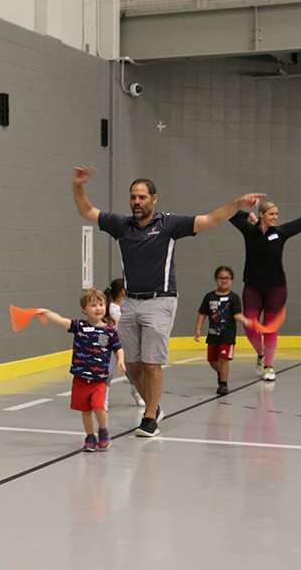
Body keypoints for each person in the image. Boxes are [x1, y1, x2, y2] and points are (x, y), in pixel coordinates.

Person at [72, 166, 265, 437]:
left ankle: (150, 417)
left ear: (153, 199)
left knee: (152, 363)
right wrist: (78, 185)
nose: (136, 202)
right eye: (133, 197)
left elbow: (209, 220)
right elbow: (87, 211)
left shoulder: (169, 224)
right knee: (134, 366)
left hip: (160, 301)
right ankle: (155, 406)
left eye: (141, 197)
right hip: (130, 303)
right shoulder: (120, 225)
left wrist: (237, 204)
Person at [229, 193, 301, 382]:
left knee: (269, 329)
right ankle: (260, 355)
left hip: (276, 288)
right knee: (250, 326)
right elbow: (230, 213)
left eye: (276, 214)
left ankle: (268, 366)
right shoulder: (249, 232)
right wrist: (247, 215)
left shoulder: (282, 232)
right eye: (271, 214)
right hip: (252, 287)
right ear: (261, 214)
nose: (275, 217)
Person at [37, 289, 125, 452]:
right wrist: (47, 313)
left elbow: (118, 348)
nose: (98, 308)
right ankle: (90, 436)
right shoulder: (79, 326)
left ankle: (103, 431)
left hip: (99, 380)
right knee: (85, 411)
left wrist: (120, 359)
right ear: (85, 309)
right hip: (80, 379)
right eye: (93, 305)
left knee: (99, 406)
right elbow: (61, 321)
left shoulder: (110, 331)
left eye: (101, 304)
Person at [194, 266, 252, 396]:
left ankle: (223, 384)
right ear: (216, 279)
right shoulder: (209, 297)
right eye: (221, 278)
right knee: (212, 360)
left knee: (223, 359)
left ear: (231, 280)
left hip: (227, 334)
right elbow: (202, 314)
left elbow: (237, 314)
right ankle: (221, 374)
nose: (224, 281)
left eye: (227, 278)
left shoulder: (234, 298)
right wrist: (198, 329)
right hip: (213, 334)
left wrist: (246, 321)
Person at [103, 277, 142, 405]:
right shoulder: (111, 309)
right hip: (112, 346)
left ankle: (136, 392)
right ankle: (104, 398)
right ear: (123, 292)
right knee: (108, 372)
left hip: (125, 345)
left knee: (131, 372)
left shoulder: (126, 307)